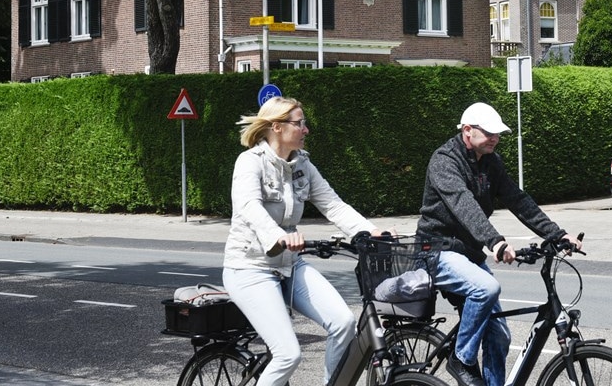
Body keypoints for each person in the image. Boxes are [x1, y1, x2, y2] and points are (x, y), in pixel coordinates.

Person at [416, 102, 582, 386]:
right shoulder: (444, 160)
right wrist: (495, 242)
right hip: (437, 250)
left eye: (498, 133)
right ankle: (462, 358)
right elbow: (463, 204)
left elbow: (517, 199)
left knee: (499, 335)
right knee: (486, 288)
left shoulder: (491, 162)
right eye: (489, 132)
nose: (495, 138)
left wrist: (556, 234)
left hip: (467, 254)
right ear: (467, 131)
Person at [222, 96, 380, 386]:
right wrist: (280, 237)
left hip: (290, 266)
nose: (306, 129)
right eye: (299, 123)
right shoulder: (249, 163)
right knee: (288, 355)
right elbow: (250, 209)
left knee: (343, 323)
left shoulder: (302, 165)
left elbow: (333, 204)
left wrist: (370, 231)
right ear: (276, 127)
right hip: (249, 269)